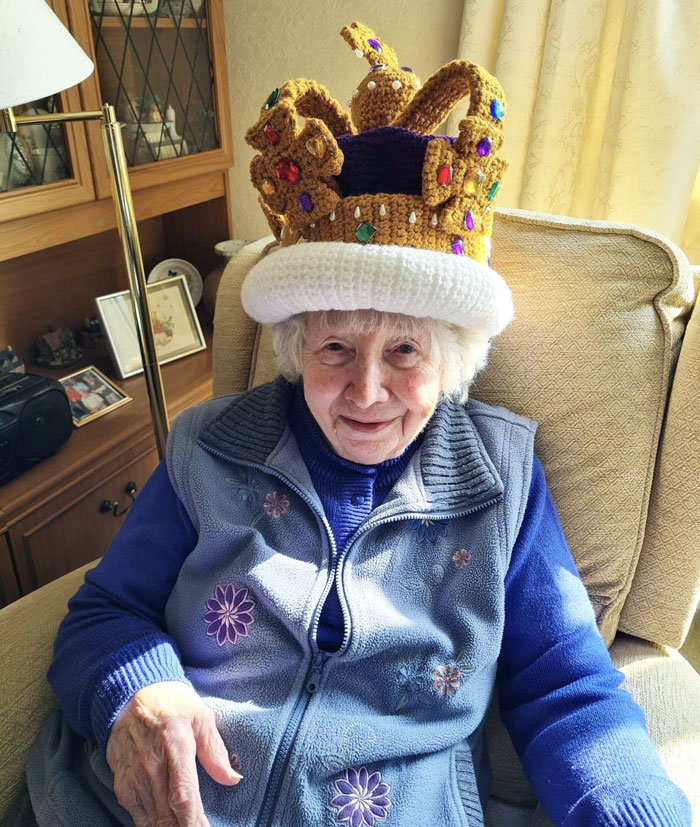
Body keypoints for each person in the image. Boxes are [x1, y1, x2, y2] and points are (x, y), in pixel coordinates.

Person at [26, 21, 691, 827]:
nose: (367, 391)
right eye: (337, 345)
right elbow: (102, 614)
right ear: (298, 346)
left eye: (404, 350)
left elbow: (568, 687)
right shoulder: (208, 447)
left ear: (450, 357)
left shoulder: (502, 482)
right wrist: (138, 687)